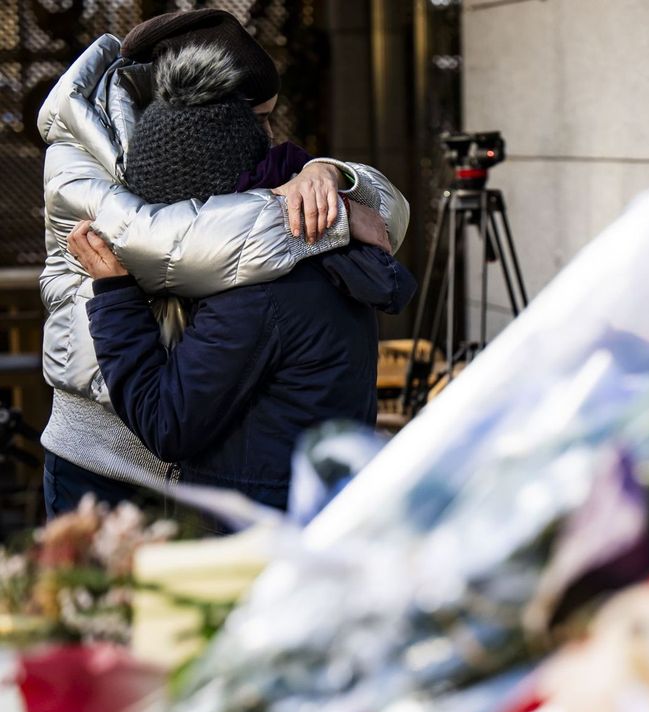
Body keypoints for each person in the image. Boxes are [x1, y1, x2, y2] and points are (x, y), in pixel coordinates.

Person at [38, 9, 408, 516]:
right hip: (100, 451)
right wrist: (334, 218)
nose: (271, 137)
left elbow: (390, 214)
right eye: (258, 118)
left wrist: (332, 175)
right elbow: (168, 239)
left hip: (179, 441)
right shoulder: (77, 151)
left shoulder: (205, 152)